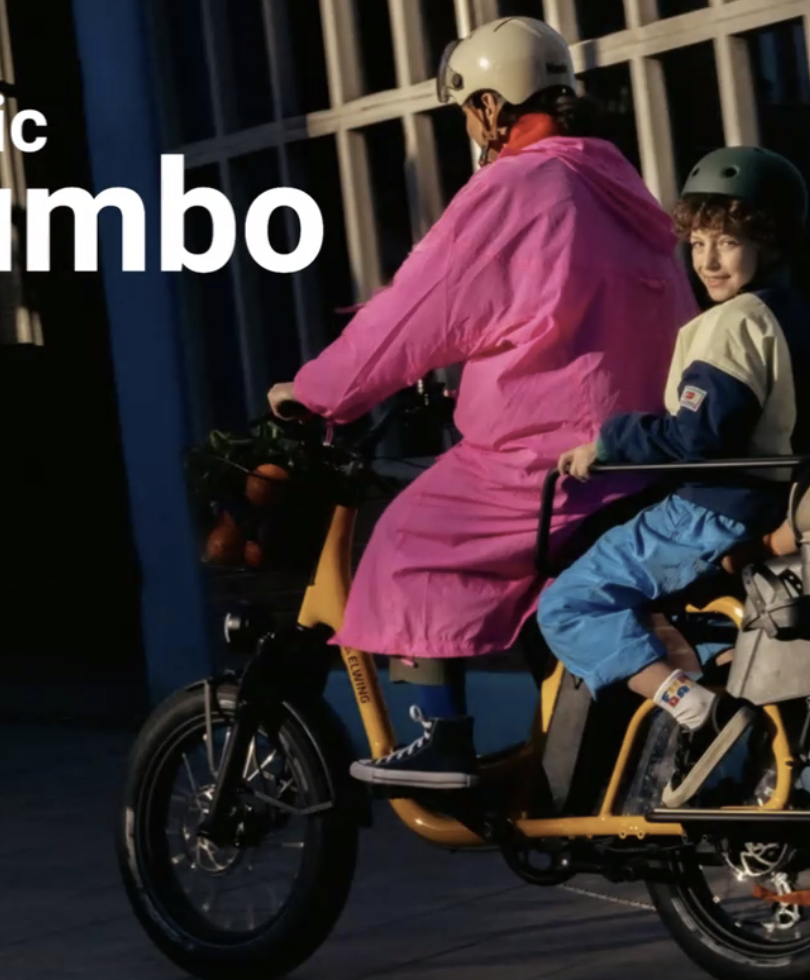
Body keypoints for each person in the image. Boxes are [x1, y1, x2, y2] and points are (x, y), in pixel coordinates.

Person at [264, 16, 696, 789]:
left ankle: (442, 736)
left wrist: (321, 389)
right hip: (643, 446)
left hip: (554, 454)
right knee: (529, 582)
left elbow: (418, 310)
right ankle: (562, 757)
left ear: (493, 105)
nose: (469, 126)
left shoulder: (518, 186)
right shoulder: (617, 183)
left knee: (410, 540)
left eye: (467, 109)